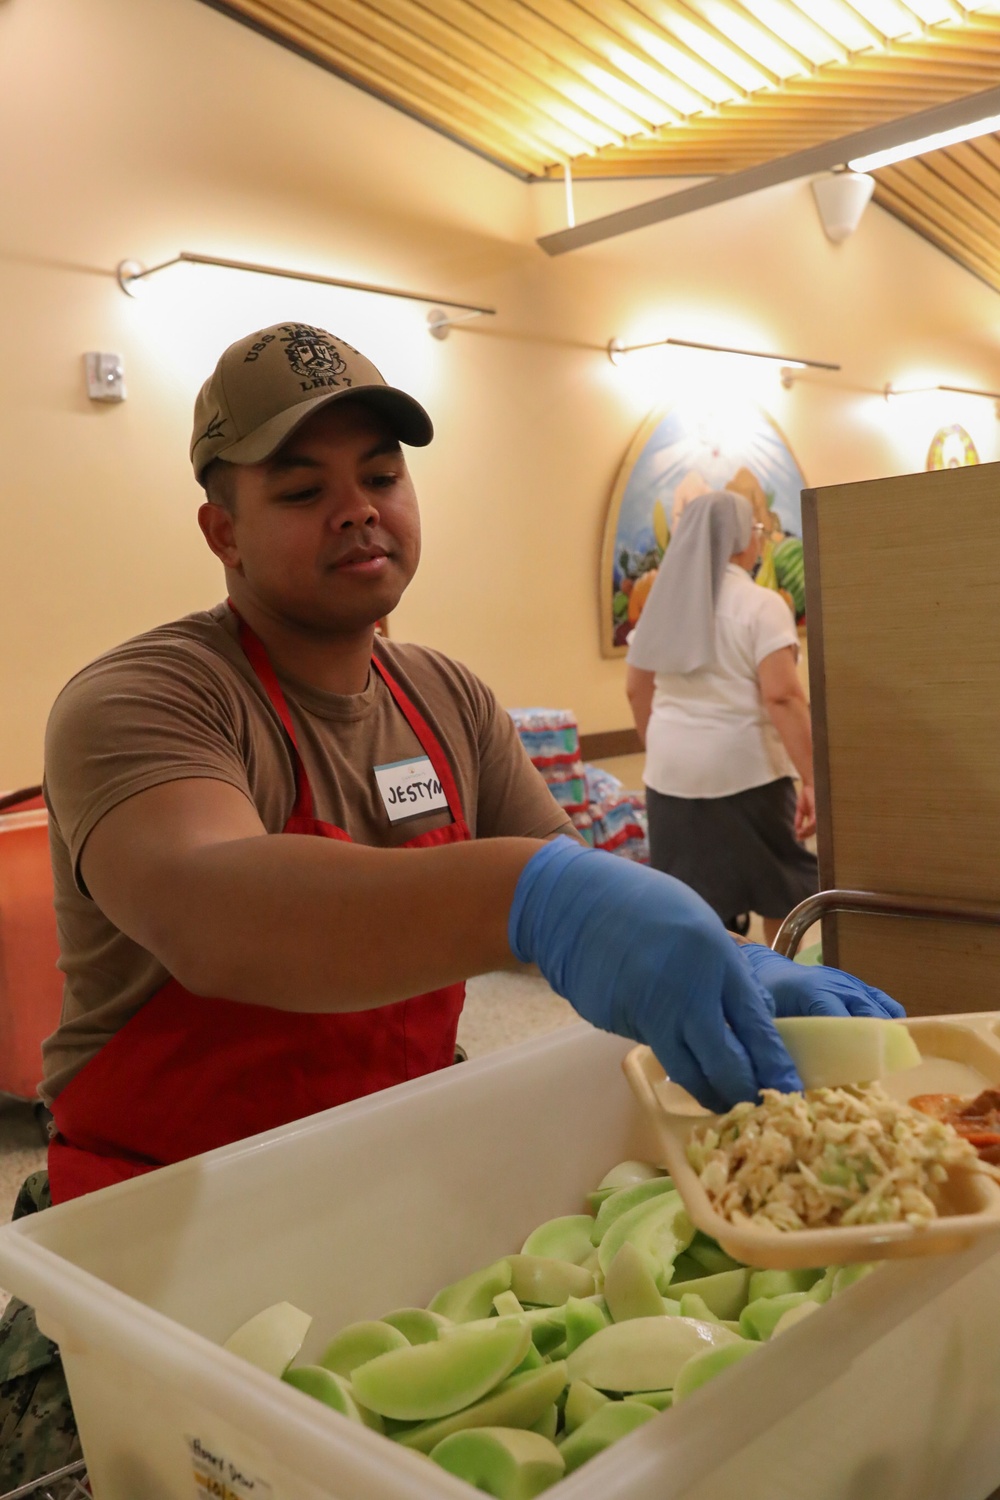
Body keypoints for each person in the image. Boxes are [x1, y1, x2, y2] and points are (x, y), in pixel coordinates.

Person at [0, 324, 902, 1489]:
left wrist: (722, 959)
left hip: (395, 1187)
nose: (358, 509)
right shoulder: (145, 700)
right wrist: (537, 896)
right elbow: (209, 907)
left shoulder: (442, 700)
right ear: (221, 530)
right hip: (170, 1223)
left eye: (380, 475)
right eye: (301, 488)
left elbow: (579, 885)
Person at [626, 489, 819, 947]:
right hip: (746, 774)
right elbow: (784, 698)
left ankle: (713, 997)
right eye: (755, 531)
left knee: (694, 906)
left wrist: (666, 748)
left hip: (669, 777)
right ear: (738, 540)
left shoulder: (661, 605)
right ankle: (778, 987)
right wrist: (814, 780)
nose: (758, 541)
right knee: (782, 892)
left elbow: (636, 688)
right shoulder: (761, 604)